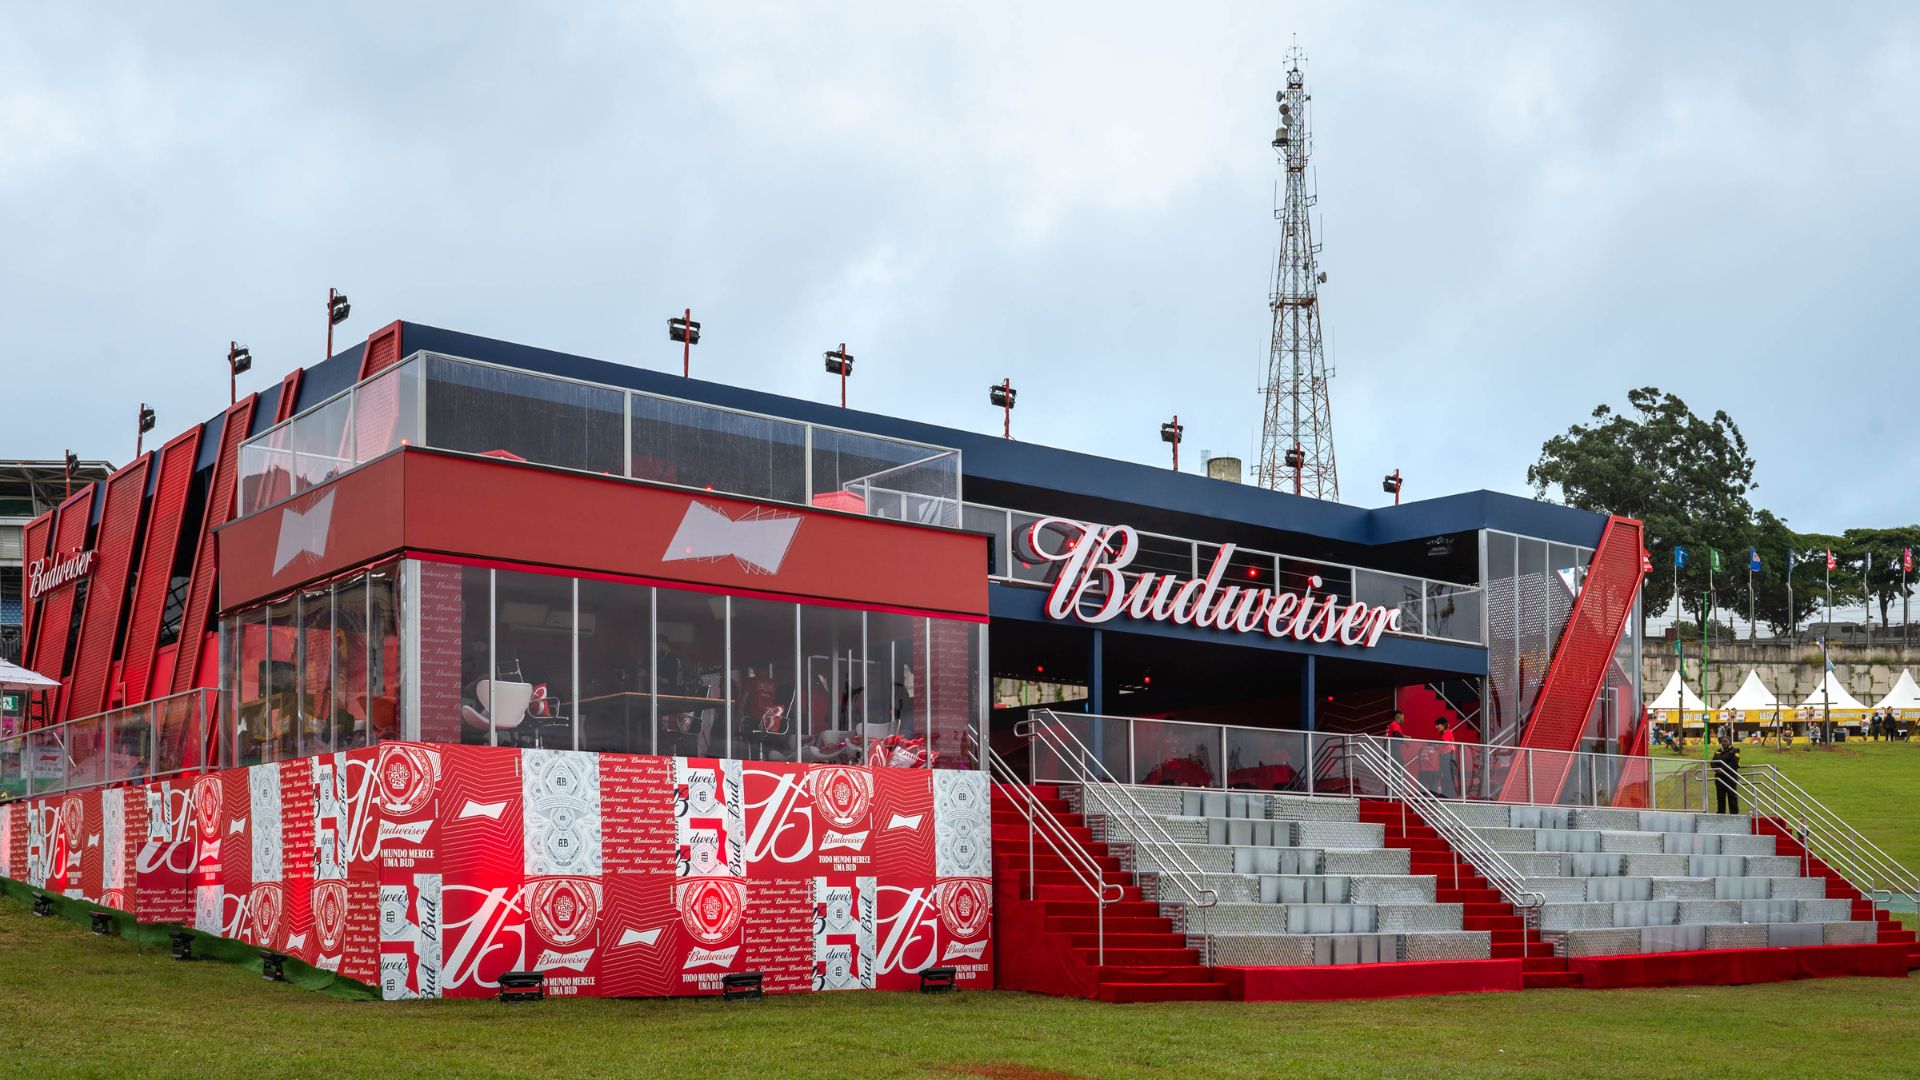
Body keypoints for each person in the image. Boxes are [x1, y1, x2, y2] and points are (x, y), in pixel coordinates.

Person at [1712, 734, 1742, 815]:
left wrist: (1723, 770)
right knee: (1720, 796)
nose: (1724, 743)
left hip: (1730, 776)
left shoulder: (1735, 750)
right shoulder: (1717, 751)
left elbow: (1734, 763)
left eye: (1726, 741)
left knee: (1732, 795)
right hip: (1719, 777)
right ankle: (1721, 813)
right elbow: (1713, 763)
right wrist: (1717, 769)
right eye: (1722, 741)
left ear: (1730, 742)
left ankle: (1734, 813)